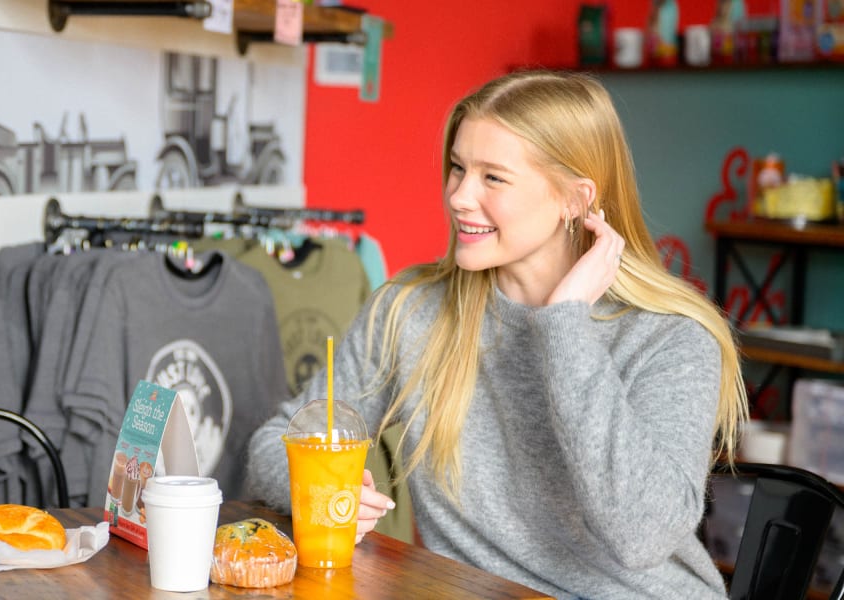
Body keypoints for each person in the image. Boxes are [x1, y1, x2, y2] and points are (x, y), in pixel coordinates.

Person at [246, 70, 748, 599]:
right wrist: (319, 487)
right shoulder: (410, 312)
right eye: (458, 169)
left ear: (574, 200)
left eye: (493, 178)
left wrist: (565, 327)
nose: (460, 196)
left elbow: (643, 536)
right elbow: (272, 446)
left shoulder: (670, 339)